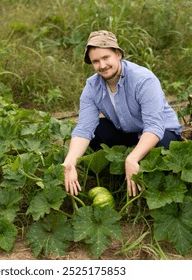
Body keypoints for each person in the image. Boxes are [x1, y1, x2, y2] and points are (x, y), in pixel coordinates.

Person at [62, 30, 182, 197]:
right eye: (95, 61)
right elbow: (83, 129)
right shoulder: (92, 86)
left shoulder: (143, 79)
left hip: (160, 134)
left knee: (164, 145)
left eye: (106, 57)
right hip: (129, 133)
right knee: (98, 130)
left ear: (118, 54)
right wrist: (70, 162)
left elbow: (154, 127)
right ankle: (119, 180)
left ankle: (156, 184)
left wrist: (132, 158)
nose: (102, 65)